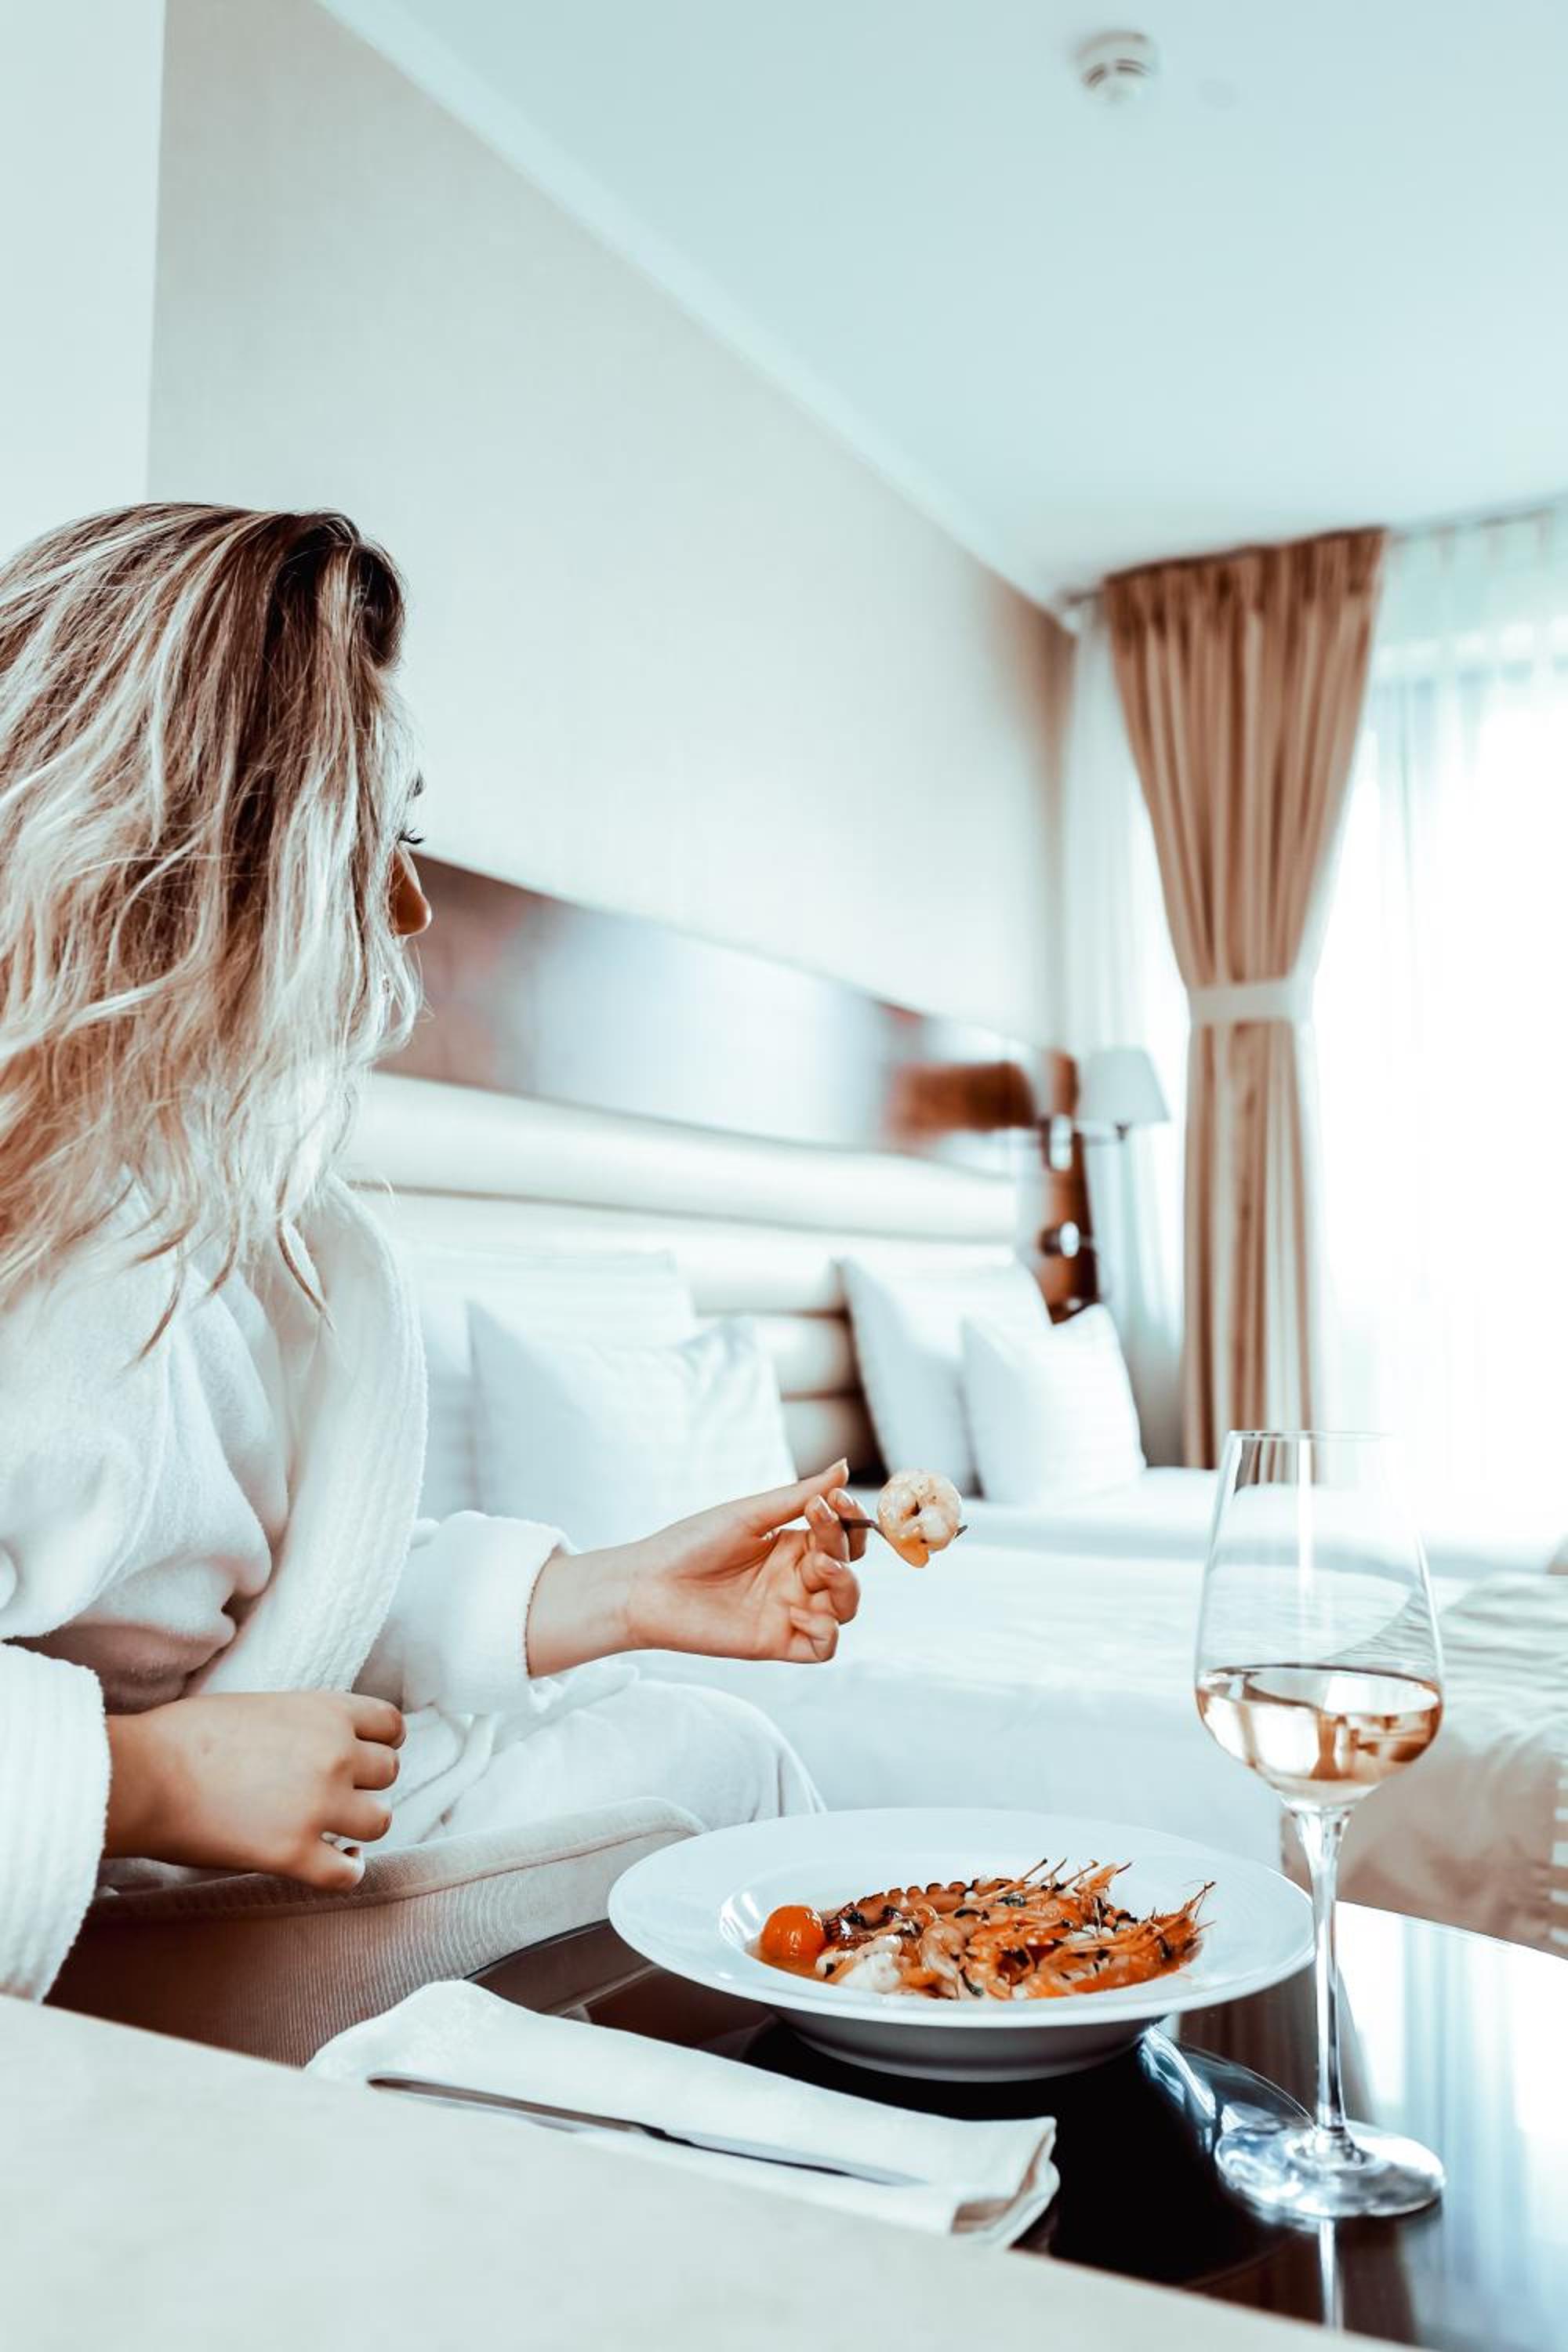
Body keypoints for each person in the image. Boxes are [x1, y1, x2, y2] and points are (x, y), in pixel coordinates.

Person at [0, 504, 864, 2002]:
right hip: (77, 1905)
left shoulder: (224, 1222)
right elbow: (196, 1706)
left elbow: (288, 1612)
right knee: (711, 1789)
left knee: (708, 1744)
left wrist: (620, 1591)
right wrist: (147, 1781)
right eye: (375, 839)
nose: (407, 909)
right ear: (200, 839)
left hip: (192, 1834)